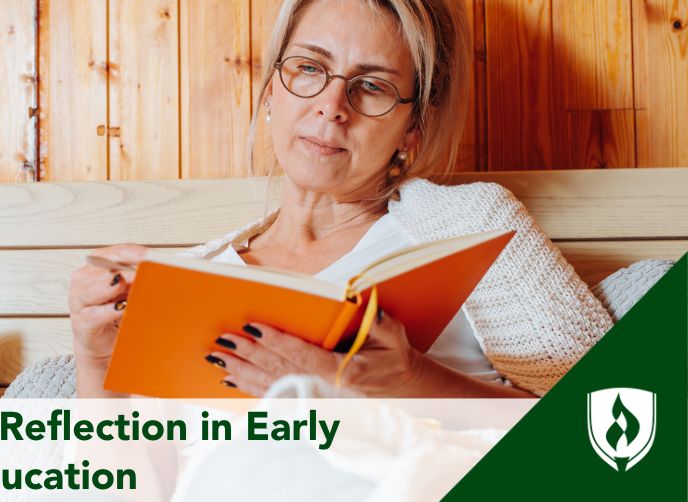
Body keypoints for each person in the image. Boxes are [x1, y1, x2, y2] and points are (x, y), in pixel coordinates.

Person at [68, 0, 613, 400]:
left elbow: (619, 430)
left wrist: (410, 380)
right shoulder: (191, 278)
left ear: (412, 128)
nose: (332, 106)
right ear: (270, 92)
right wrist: (97, 368)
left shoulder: (472, 227)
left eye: (371, 86)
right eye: (308, 67)